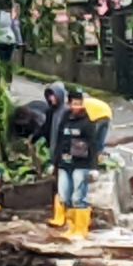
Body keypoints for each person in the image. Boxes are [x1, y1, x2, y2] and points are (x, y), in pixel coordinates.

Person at [54, 90, 97, 240]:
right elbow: (59, 142)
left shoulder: (88, 122)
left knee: (78, 197)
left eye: (79, 103)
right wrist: (55, 162)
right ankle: (70, 227)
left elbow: (93, 145)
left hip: (81, 164)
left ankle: (81, 229)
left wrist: (93, 167)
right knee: (64, 195)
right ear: (69, 104)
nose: (77, 107)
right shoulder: (64, 119)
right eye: (74, 104)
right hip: (65, 163)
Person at [42, 82, 70, 228]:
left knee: (63, 185)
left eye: (53, 95)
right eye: (49, 96)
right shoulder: (51, 112)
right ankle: (59, 214)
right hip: (55, 153)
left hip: (63, 154)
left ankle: (64, 216)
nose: (51, 99)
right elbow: (46, 129)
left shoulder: (66, 112)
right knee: (57, 184)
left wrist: (57, 159)